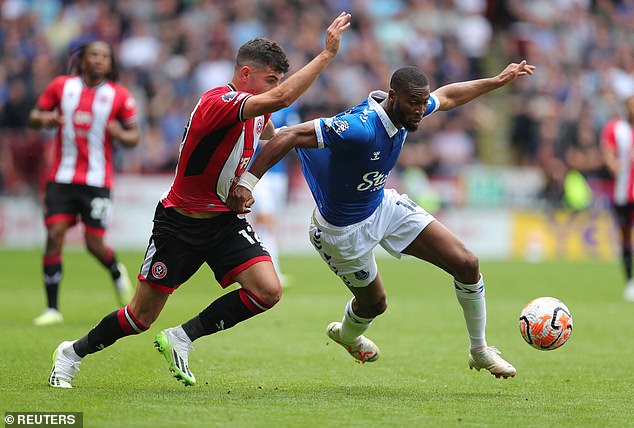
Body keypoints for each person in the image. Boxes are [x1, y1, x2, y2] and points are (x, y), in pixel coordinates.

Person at [47, 12, 352, 388]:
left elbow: (274, 137)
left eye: (276, 80)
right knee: (140, 318)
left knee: (267, 291)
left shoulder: (257, 111)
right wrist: (326, 56)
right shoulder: (219, 101)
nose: (275, 88)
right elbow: (283, 97)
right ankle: (70, 353)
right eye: (270, 79)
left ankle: (182, 337)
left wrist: (245, 183)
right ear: (245, 75)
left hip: (223, 221)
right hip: (180, 223)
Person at [228, 60, 536, 379]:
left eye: (422, 103)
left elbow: (449, 97)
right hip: (341, 232)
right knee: (374, 304)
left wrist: (498, 80)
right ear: (393, 96)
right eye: (414, 103)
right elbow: (288, 135)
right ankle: (347, 335)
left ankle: (480, 350)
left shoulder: (407, 109)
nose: (420, 110)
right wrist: (247, 184)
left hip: (382, 205)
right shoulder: (359, 128)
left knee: (467, 263)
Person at [28, 40, 139, 326]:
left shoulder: (119, 96)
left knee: (94, 244)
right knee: (54, 236)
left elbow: (134, 136)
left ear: (110, 63)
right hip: (61, 178)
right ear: (83, 60)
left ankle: (115, 270)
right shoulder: (61, 87)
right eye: (94, 55)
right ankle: (52, 309)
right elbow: (34, 117)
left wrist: (118, 132)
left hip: (97, 182)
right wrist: (47, 118)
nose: (99, 60)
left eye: (105, 56)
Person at [249, 105, 302, 286]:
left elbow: (294, 136)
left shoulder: (287, 109)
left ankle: (249, 271)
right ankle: (273, 273)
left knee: (262, 224)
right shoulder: (255, 105)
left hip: (278, 174)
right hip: (256, 174)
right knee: (267, 221)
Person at [601, 94, 634, 302]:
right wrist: (612, 163)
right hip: (623, 194)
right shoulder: (615, 128)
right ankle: (630, 280)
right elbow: (608, 153)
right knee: (625, 238)